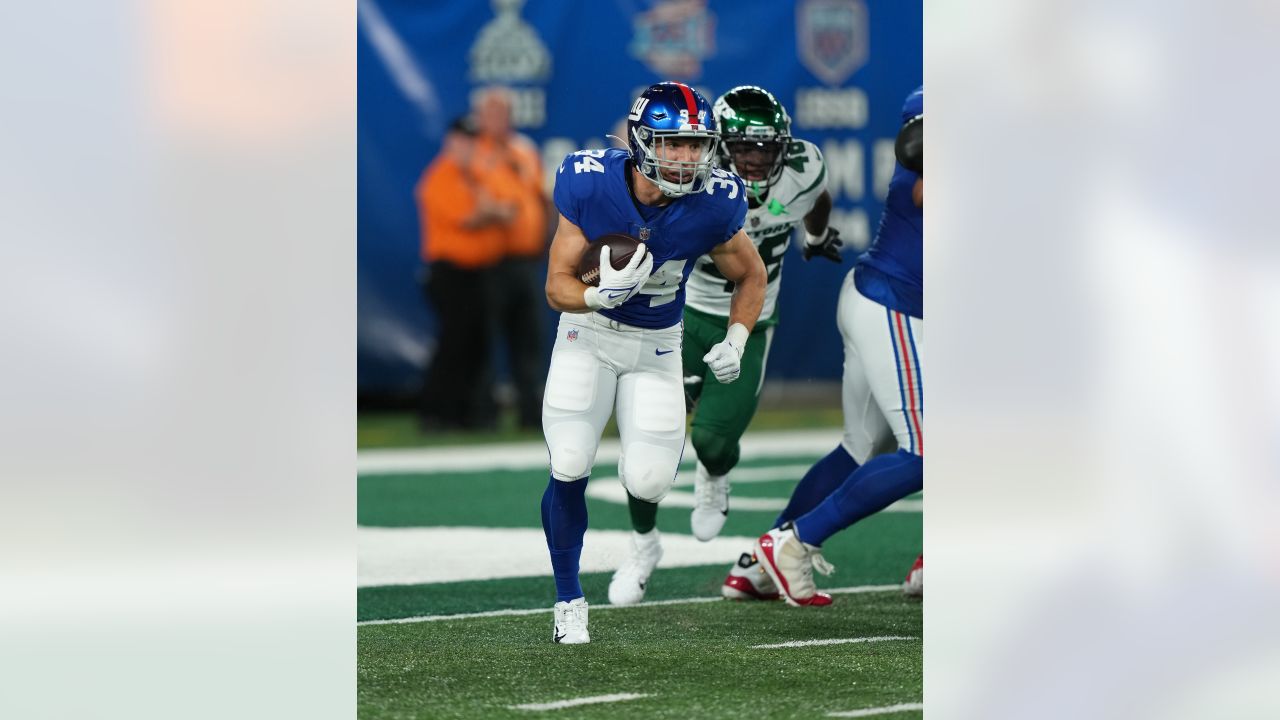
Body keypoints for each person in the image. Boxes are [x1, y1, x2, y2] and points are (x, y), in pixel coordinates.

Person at [540, 82, 767, 643]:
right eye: (674, 144)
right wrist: (596, 296)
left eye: (696, 145)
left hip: (657, 344)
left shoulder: (715, 200)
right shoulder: (590, 183)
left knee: (648, 480)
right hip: (587, 332)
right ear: (641, 142)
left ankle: (646, 541)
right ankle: (568, 597)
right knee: (569, 462)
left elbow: (751, 274)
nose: (687, 158)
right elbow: (556, 287)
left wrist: (737, 338)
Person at [607, 85, 845, 606]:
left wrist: (815, 235)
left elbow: (816, 197)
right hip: (681, 315)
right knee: (649, 439)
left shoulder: (806, 167)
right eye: (743, 149)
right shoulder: (694, 181)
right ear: (718, 147)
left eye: (766, 148)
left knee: (714, 442)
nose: (756, 159)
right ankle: (641, 543)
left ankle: (714, 475)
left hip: (751, 319)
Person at [725, 85, 924, 607]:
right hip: (898, 304)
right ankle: (793, 543)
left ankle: (758, 566)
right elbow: (918, 143)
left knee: (862, 448)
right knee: (930, 449)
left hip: (892, 300)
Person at [415, 115, 513, 430]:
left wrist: (493, 212)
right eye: (462, 139)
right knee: (453, 343)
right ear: (450, 142)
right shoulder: (440, 176)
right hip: (450, 273)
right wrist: (492, 212)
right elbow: (473, 217)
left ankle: (468, 413)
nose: (468, 146)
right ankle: (436, 413)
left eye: (472, 140)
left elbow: (507, 208)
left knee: (476, 345)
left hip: (478, 273)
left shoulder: (475, 175)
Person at [471, 87, 550, 430]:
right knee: (484, 337)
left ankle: (529, 412)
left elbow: (540, 196)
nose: (500, 120)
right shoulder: (472, 152)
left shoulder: (525, 149)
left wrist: (547, 236)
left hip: (524, 259)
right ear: (480, 117)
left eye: (504, 113)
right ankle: (483, 412)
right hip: (488, 260)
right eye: (492, 113)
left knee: (527, 338)